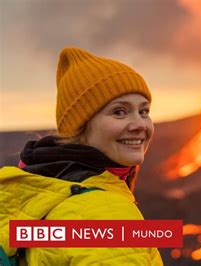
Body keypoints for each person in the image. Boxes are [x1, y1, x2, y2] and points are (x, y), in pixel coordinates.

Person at [0, 47, 163, 265]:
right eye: (119, 112)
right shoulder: (103, 213)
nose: (140, 124)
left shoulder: (43, 190)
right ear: (80, 126)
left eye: (144, 111)